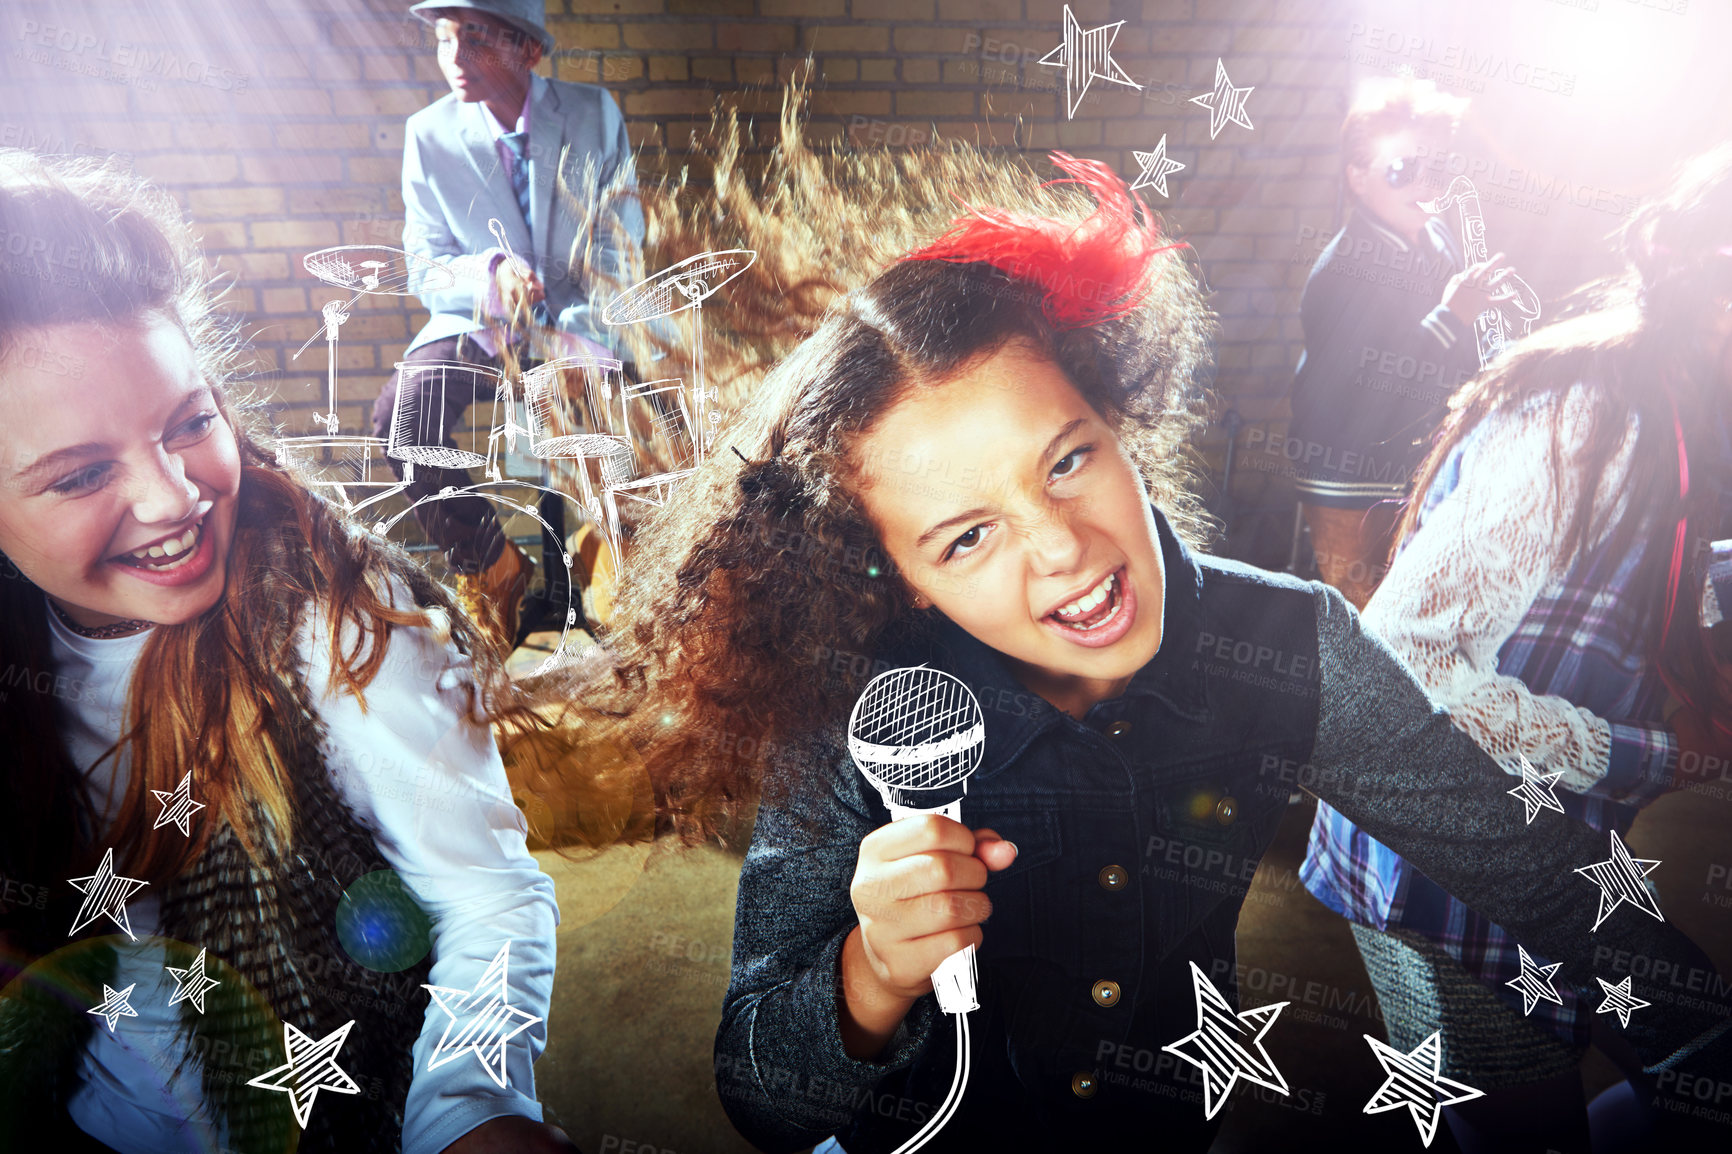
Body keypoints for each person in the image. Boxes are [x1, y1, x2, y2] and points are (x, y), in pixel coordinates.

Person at [568, 105, 1732, 1150]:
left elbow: (1535, 877)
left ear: (1115, 413)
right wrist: (869, 973)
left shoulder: (1289, 643)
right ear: (904, 578)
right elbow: (762, 1091)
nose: (1064, 548)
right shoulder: (858, 709)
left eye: (1067, 461)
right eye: (966, 536)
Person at [0, 154, 573, 1153]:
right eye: (82, 472)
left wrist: (469, 1108)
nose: (176, 498)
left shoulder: (338, 619)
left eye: (190, 423)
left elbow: (487, 892)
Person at [1302, 145, 1732, 1153]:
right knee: (1515, 1122)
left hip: (1551, 840)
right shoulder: (1589, 408)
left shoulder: (1689, 402)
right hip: (1438, 842)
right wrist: (1659, 756)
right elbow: (1407, 665)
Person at [371, 0, 642, 651]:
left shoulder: (591, 113)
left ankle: (601, 554)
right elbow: (426, 266)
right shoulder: (427, 133)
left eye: (476, 38)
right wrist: (488, 275)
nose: (455, 57)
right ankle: (490, 564)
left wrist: (574, 338)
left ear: (528, 49)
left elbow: (617, 249)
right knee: (401, 417)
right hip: (481, 325)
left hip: (583, 322)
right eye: (444, 39)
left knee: (631, 423)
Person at [1287, 77, 1516, 608]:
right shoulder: (1344, 269)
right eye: (1402, 169)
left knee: (1428, 617)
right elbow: (1375, 383)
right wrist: (1452, 314)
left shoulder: (1438, 240)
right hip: (1349, 478)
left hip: (1420, 468)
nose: (1426, 183)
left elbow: (1452, 357)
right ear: (1358, 177)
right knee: (1366, 625)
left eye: (1436, 167)